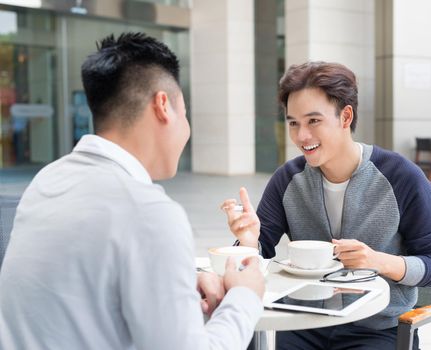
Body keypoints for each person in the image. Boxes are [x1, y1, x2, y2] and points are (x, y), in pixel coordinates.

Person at [0, 32, 265, 350]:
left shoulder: (47, 181)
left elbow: (73, 294)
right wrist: (245, 297)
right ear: (163, 106)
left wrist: (173, 281)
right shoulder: (149, 213)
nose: (187, 128)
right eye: (185, 112)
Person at [222, 61, 431, 350]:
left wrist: (377, 261)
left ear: (345, 116)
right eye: (293, 123)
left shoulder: (402, 177)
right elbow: (251, 261)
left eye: (313, 121)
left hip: (379, 329)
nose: (302, 136)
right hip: (305, 322)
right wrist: (248, 241)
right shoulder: (287, 180)